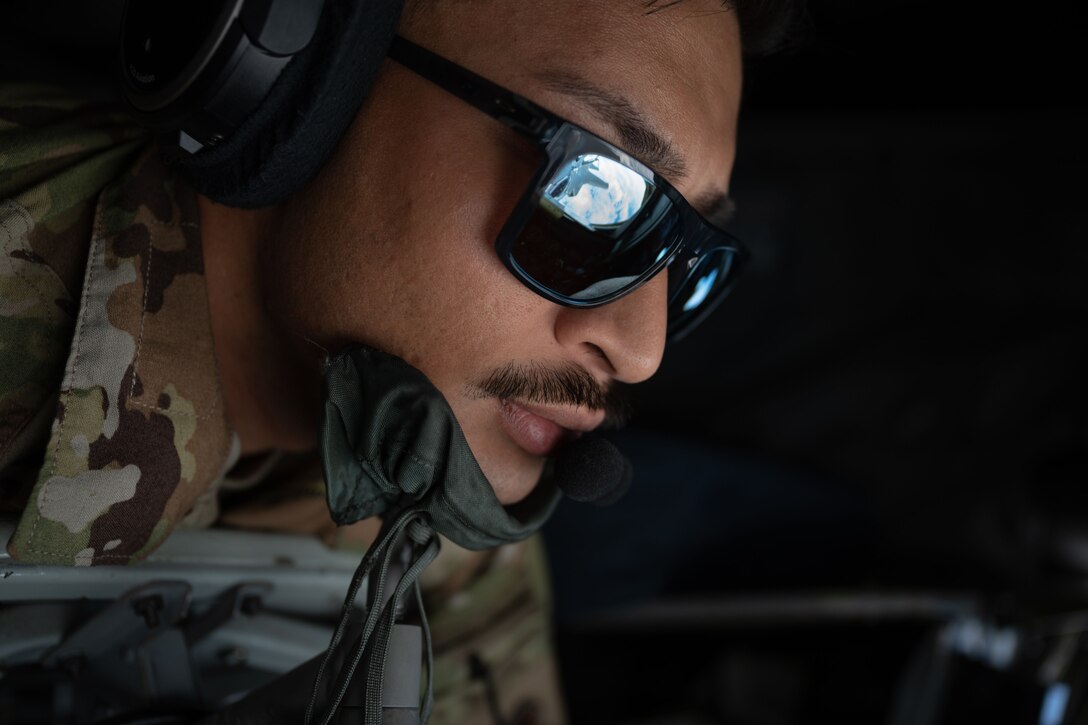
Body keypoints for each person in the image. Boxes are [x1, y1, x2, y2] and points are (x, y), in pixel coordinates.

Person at [0, 0, 796, 721]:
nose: (639, 348)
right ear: (305, 80)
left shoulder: (441, 475)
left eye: (684, 260)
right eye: (594, 195)